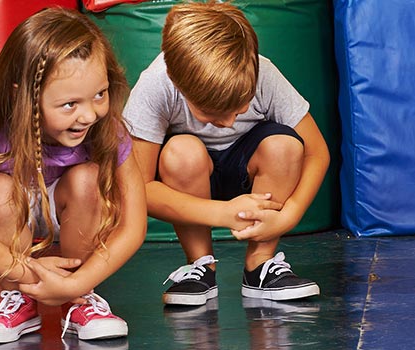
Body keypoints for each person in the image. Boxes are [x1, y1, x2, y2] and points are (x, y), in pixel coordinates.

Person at [0, 7, 147, 344]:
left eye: (99, 94)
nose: (89, 114)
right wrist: (29, 273)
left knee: (87, 178)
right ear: (23, 96)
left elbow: (133, 225)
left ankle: (80, 300)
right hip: (13, 218)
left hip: (71, 209)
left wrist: (75, 282)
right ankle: (19, 300)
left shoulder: (106, 130)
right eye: (70, 104)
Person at [124, 0, 329, 306]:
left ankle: (260, 265)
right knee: (181, 152)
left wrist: (287, 217)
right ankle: (200, 266)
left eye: (241, 106)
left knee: (285, 146)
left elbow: (317, 153)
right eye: (211, 113)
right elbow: (136, 188)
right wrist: (222, 213)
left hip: (252, 177)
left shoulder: (264, 74)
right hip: (190, 179)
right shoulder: (156, 85)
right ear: (178, 83)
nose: (229, 121)